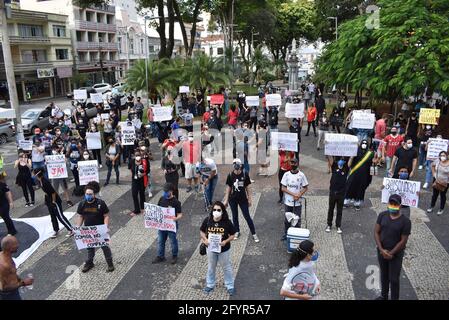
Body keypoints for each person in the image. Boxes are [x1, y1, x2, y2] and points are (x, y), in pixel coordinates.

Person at [374, 194, 411, 300]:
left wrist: (391, 253)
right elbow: (376, 232)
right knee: (384, 275)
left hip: (396, 254)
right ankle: (384, 296)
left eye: (395, 204)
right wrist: (381, 250)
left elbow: (403, 241)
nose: (393, 206)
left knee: (394, 279)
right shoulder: (382, 215)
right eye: (391, 203)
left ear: (400, 206)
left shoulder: (406, 222)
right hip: (382, 251)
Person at [76, 183, 115, 273]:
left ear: (94, 194)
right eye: (87, 194)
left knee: (105, 247)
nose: (88, 196)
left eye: (90, 194)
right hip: (88, 232)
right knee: (90, 248)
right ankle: (89, 263)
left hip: (100, 231)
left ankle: (110, 263)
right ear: (85, 194)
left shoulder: (100, 203)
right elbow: (81, 216)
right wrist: (77, 227)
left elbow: (106, 216)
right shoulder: (82, 204)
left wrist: (105, 227)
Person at [200, 201, 236, 296]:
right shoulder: (207, 220)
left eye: (218, 210)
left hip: (224, 250)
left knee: (226, 267)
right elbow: (202, 231)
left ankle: (230, 285)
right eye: (214, 209)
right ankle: (210, 284)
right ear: (212, 211)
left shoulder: (227, 222)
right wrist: (205, 239)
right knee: (211, 267)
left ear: (222, 211)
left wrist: (226, 241)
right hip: (211, 249)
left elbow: (233, 235)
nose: (216, 211)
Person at [223, 159, 259, 243]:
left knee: (247, 216)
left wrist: (249, 199)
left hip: (243, 199)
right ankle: (237, 231)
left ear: (240, 165)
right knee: (234, 216)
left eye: (237, 164)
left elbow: (248, 187)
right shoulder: (230, 175)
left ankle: (254, 233)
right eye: (234, 164)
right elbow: (228, 188)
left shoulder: (245, 174)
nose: (236, 165)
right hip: (233, 199)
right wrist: (226, 200)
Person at [32, 169, 74, 238]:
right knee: (53, 216)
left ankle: (71, 229)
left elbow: (53, 192)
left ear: (37, 174)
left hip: (54, 200)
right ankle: (56, 230)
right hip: (48, 200)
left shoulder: (45, 182)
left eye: (33, 173)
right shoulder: (40, 181)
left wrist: (54, 201)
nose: (32, 175)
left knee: (60, 216)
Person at [152, 183, 183, 265]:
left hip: (171, 226)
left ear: (171, 191)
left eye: (166, 191)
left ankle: (174, 256)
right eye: (164, 191)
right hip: (162, 225)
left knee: (173, 241)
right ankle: (160, 256)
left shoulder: (176, 202)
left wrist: (176, 218)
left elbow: (180, 214)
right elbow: (157, 209)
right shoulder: (161, 199)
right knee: (160, 241)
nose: (165, 192)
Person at [281, 158, 309, 240]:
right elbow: (283, 188)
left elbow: (305, 187)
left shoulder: (302, 175)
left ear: (297, 164)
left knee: (297, 220)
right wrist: (294, 194)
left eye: (294, 163)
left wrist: (299, 195)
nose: (293, 164)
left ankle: (297, 235)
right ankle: (286, 234)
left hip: (298, 202)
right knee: (287, 220)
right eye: (291, 163)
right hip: (288, 202)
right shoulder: (286, 174)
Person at [344, 140, 375, 211]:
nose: (364, 145)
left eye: (365, 143)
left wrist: (375, 160)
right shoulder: (355, 151)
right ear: (360, 144)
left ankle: (357, 203)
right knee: (350, 186)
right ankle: (345, 202)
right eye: (363, 143)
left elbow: (373, 163)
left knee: (360, 188)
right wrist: (351, 157)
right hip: (354, 173)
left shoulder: (370, 153)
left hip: (364, 175)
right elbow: (349, 164)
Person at [0, 236, 34, 300]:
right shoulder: (4, 266)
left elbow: (11, 272)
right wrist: (23, 283)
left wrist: (19, 280)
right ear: (10, 248)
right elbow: (4, 287)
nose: (18, 245)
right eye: (15, 244)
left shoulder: (4, 255)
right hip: (9, 295)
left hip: (12, 291)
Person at [326, 156, 349, 233]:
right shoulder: (334, 166)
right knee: (331, 209)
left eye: (343, 159)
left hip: (341, 193)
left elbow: (351, 159)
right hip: (333, 192)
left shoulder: (346, 168)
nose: (341, 160)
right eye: (340, 159)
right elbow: (330, 158)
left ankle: (338, 226)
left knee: (339, 210)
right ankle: (329, 224)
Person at [427, 151, 449, 215]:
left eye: (444, 155)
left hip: (445, 182)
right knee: (434, 195)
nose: (442, 157)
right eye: (441, 155)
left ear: (447, 156)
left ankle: (441, 208)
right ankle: (431, 206)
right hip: (436, 180)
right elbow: (432, 165)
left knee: (443, 195)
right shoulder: (437, 161)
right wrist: (433, 173)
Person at [128, 150, 148, 216]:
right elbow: (129, 168)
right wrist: (132, 175)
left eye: (138, 155)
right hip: (134, 180)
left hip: (142, 180)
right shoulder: (131, 161)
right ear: (134, 156)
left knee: (142, 194)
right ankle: (137, 210)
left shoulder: (145, 161)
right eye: (136, 155)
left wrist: (143, 174)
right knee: (134, 194)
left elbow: (148, 170)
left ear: (141, 156)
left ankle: (143, 208)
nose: (137, 157)